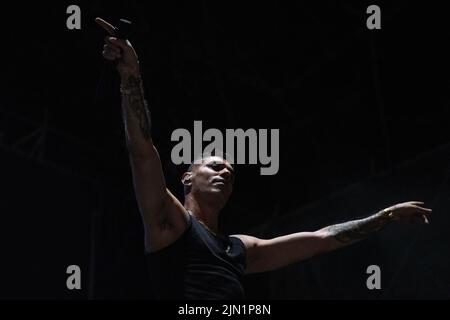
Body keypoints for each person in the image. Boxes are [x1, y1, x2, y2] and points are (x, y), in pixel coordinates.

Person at [95, 17, 433, 300]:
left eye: (230, 170)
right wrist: (131, 76)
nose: (225, 172)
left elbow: (322, 239)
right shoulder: (169, 222)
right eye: (215, 166)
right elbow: (141, 151)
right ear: (186, 177)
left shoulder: (239, 249)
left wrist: (386, 214)